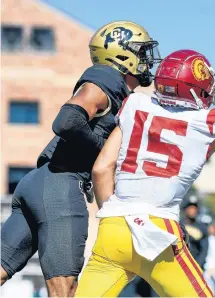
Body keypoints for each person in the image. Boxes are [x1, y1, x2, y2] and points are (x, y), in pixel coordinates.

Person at [75, 47, 215, 297]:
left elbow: (102, 168)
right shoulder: (206, 125)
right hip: (158, 232)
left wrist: (117, 214)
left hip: (113, 228)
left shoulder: (135, 106)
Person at [1, 21, 161, 297]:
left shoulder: (124, 96)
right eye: (141, 52)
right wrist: (101, 148)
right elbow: (68, 120)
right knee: (64, 290)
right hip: (61, 186)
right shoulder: (107, 78)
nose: (147, 60)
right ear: (122, 54)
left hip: (38, 183)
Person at [182, 195, 209, 269]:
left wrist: (197, 265)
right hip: (180, 264)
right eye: (190, 207)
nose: (192, 210)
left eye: (194, 208)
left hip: (195, 265)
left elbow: (204, 250)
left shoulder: (202, 227)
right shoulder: (178, 225)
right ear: (185, 209)